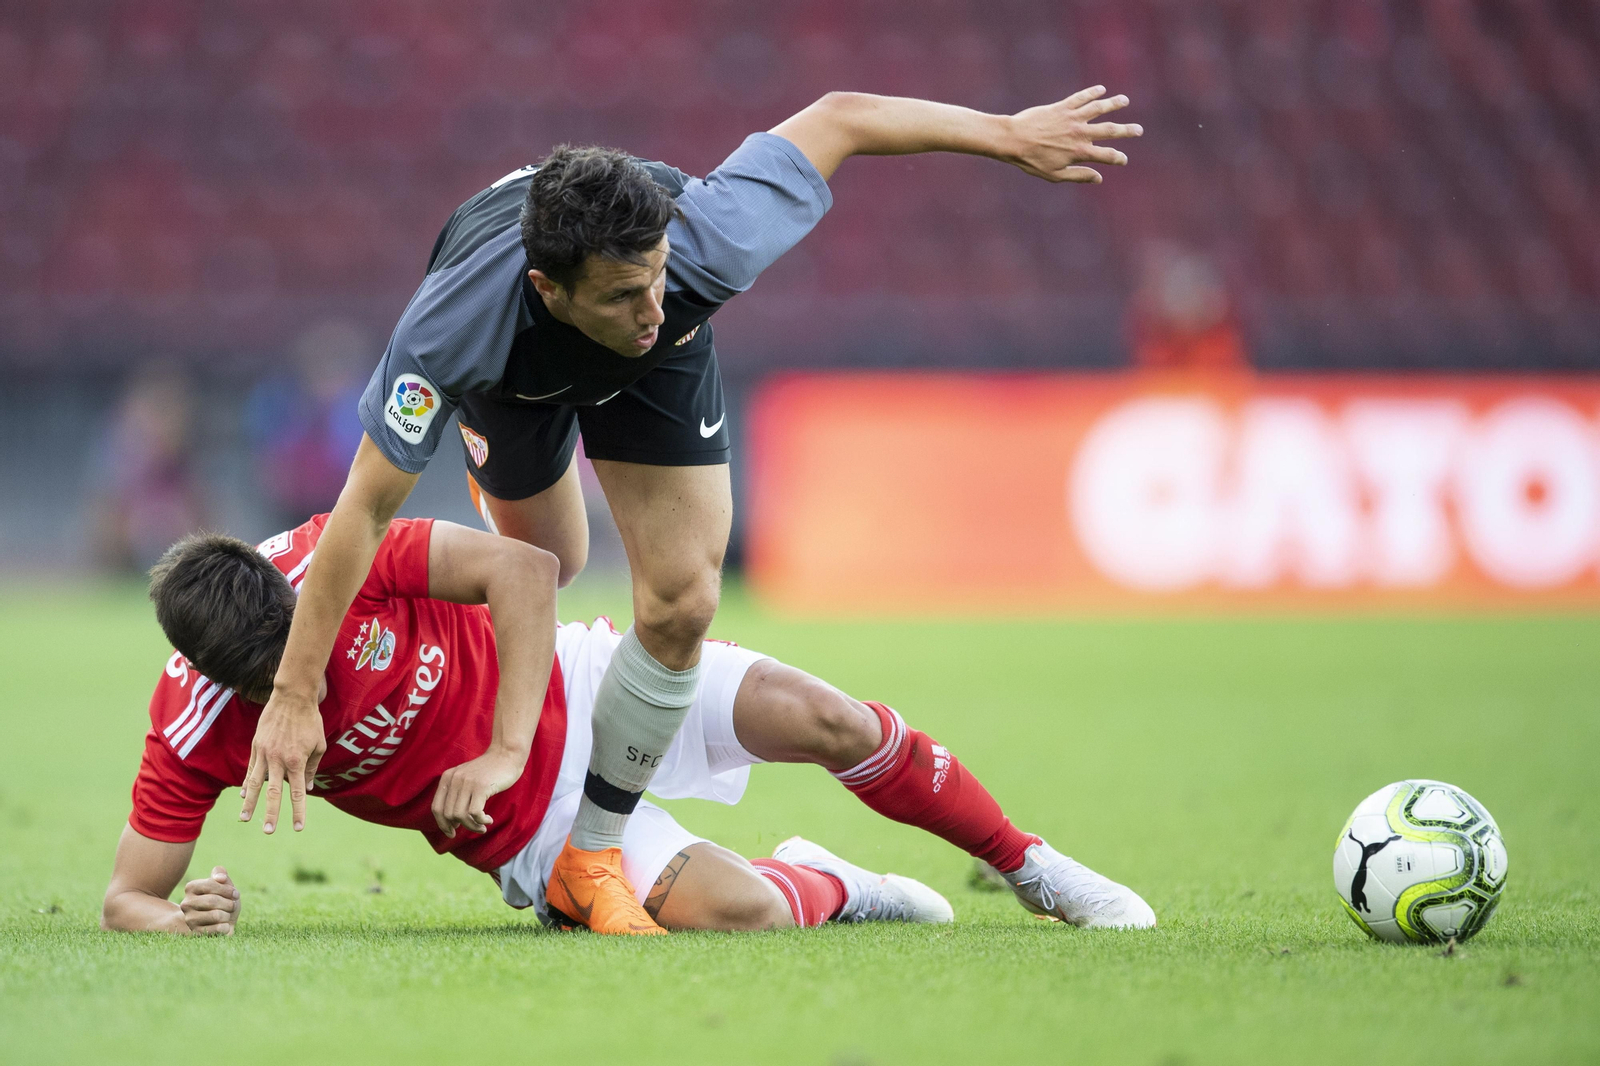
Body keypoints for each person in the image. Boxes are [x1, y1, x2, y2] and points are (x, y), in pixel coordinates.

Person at [244, 87, 1145, 934]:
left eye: (655, 279)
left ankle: (598, 847)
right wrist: (291, 693)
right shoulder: (449, 331)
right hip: (511, 390)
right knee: (545, 569)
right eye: (621, 292)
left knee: (681, 600)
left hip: (653, 377)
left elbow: (842, 117)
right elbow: (358, 514)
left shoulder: (699, 247)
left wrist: (1008, 136)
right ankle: (552, 673)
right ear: (551, 289)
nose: (649, 304)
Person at [104, 517, 1156, 936]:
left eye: (308, 654)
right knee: (740, 914)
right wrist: (181, 920)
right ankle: (831, 882)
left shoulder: (340, 558)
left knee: (827, 717)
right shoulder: (193, 726)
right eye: (278, 685)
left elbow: (524, 568)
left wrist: (506, 739)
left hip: (578, 677)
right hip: (531, 830)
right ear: (211, 680)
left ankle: (1031, 867)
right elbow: (125, 898)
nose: (312, 687)